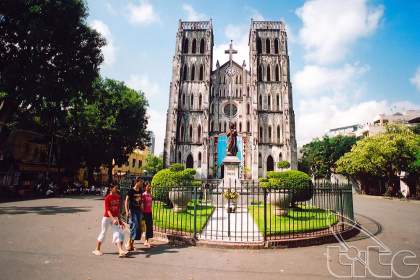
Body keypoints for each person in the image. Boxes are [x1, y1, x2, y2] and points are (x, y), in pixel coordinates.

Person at [92, 183, 127, 257]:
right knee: (103, 233)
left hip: (114, 218)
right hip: (107, 218)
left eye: (117, 188)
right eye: (115, 188)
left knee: (117, 232)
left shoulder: (117, 197)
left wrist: (120, 221)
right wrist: (112, 219)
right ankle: (97, 249)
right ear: (111, 189)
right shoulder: (107, 198)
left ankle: (120, 250)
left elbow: (117, 210)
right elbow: (108, 210)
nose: (117, 189)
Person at [125, 177, 143, 251]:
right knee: (134, 226)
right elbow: (126, 201)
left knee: (138, 228)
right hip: (133, 211)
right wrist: (126, 211)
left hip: (139, 211)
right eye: (141, 182)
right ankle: (129, 243)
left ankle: (131, 244)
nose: (142, 183)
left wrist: (142, 209)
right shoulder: (131, 191)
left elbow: (141, 201)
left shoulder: (140, 190)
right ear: (137, 182)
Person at [142, 183, 153, 248]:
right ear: (145, 187)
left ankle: (146, 241)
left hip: (149, 212)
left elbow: (151, 204)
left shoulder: (150, 195)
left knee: (149, 226)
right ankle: (130, 241)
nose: (149, 188)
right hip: (144, 213)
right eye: (148, 187)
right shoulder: (143, 195)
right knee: (143, 228)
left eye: (150, 187)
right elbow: (142, 204)